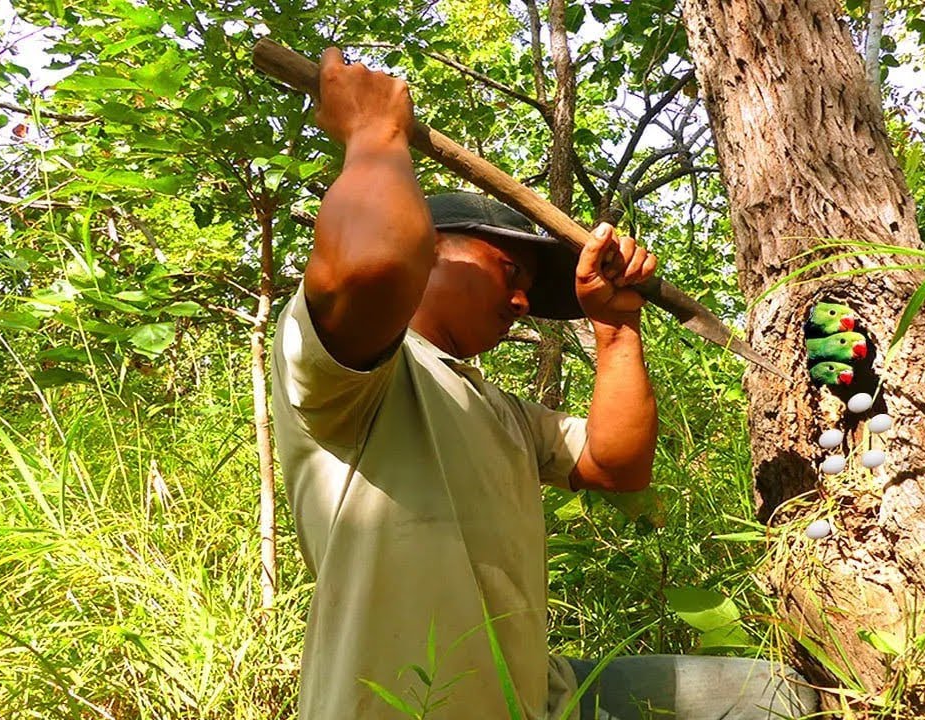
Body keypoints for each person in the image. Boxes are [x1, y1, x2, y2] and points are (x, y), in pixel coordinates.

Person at [270, 47, 817, 720]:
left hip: (537, 696)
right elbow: (374, 263)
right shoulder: (353, 374)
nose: (523, 301)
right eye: (508, 272)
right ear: (432, 251)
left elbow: (617, 465)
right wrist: (371, 132)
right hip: (408, 706)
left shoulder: (496, 409)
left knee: (783, 700)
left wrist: (616, 330)